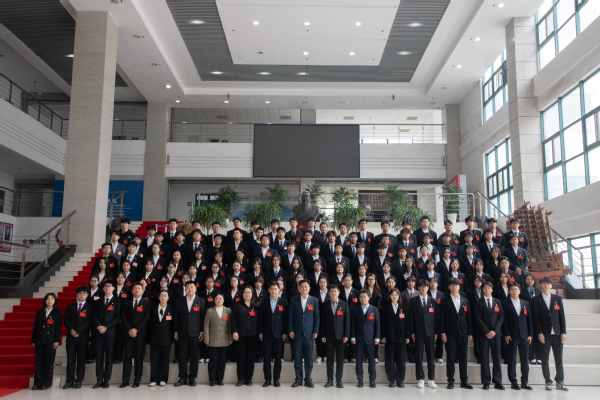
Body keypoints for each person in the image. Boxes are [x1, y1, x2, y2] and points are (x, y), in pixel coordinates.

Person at [531, 276, 568, 391]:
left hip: (557, 333)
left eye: (548, 283)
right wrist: (539, 333)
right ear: (540, 285)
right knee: (545, 358)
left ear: (551, 285)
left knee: (559, 358)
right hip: (544, 334)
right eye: (544, 283)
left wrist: (563, 332)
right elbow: (535, 319)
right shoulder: (535, 300)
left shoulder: (557, 298)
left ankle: (560, 381)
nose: (546, 285)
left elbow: (561, 316)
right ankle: (548, 381)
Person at [438, 278, 473, 389]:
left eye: (457, 285)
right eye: (452, 285)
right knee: (451, 358)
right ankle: (451, 381)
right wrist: (442, 333)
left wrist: (470, 333)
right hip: (450, 333)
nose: (455, 287)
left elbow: (469, 318)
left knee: (463, 358)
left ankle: (464, 381)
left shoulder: (465, 301)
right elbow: (441, 319)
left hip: (463, 332)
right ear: (449, 287)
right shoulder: (445, 301)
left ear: (459, 287)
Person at [473, 281, 505, 390]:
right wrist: (486, 331)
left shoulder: (497, 302)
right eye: (485, 288)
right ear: (482, 290)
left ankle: (497, 381)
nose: (487, 289)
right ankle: (486, 381)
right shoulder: (478, 302)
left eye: (489, 288)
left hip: (496, 334)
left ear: (492, 290)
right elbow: (477, 318)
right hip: (483, 334)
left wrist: (494, 331)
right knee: (484, 358)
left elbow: (501, 317)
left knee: (496, 358)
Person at [174, 281, 206, 387]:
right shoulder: (179, 301)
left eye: (192, 287)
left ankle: (192, 377)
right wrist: (175, 331)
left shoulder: (201, 301)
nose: (190, 289)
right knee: (182, 356)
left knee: (194, 356)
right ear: (185, 289)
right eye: (187, 287)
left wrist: (202, 331)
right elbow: (176, 317)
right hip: (182, 332)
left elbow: (202, 318)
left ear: (195, 289)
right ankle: (182, 377)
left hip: (195, 333)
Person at [288, 280, 320, 388]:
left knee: (308, 358)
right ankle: (298, 379)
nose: (304, 288)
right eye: (302, 286)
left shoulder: (314, 300)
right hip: (297, 333)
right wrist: (291, 330)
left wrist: (316, 331)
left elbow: (317, 317)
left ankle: (308, 379)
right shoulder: (294, 300)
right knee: (297, 358)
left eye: (306, 286)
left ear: (309, 288)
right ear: (299, 288)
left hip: (309, 334)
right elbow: (290, 316)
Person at [502, 282, 532, 390]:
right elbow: (504, 321)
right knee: (512, 360)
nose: (514, 291)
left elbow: (529, 320)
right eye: (512, 289)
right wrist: (506, 334)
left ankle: (525, 381)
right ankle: (513, 381)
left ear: (519, 291)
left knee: (525, 360)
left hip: (524, 335)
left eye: (516, 289)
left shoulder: (525, 303)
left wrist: (530, 334)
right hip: (512, 336)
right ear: (509, 291)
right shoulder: (505, 303)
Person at [319, 284, 350, 388]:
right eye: (331, 291)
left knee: (340, 359)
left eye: (335, 291)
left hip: (341, 336)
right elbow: (322, 322)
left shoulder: (344, 304)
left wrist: (346, 335)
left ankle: (339, 380)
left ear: (339, 292)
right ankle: (330, 380)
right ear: (329, 293)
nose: (333, 293)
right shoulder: (324, 305)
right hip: (328, 336)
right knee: (330, 358)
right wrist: (323, 335)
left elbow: (347, 322)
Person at [120, 282, 150, 388]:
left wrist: (136, 329)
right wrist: (129, 329)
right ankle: (125, 380)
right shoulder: (126, 302)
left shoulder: (146, 303)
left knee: (138, 357)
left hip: (140, 334)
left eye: (139, 288)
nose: (137, 290)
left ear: (142, 290)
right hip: (128, 333)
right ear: (132, 291)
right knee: (127, 357)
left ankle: (137, 380)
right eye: (135, 288)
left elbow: (146, 317)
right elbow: (123, 317)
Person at [91, 281, 121, 388]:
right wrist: (99, 326)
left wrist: (106, 327)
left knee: (109, 357)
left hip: (110, 333)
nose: (107, 288)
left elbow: (117, 317)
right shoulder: (97, 301)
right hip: (98, 332)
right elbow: (93, 316)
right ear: (103, 289)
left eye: (109, 286)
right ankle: (99, 379)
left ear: (113, 288)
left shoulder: (117, 302)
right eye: (105, 286)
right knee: (99, 356)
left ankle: (106, 379)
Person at [409, 279, 438, 388]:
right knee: (419, 356)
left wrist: (436, 332)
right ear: (418, 288)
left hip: (430, 331)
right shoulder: (413, 301)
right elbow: (411, 318)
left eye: (426, 287)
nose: (424, 288)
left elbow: (436, 318)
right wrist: (412, 332)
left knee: (431, 356)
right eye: (421, 287)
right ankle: (420, 378)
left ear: (428, 288)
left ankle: (431, 379)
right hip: (418, 331)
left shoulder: (433, 301)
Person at [259, 281, 288, 387]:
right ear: (269, 290)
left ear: (279, 290)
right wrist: (260, 331)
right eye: (272, 289)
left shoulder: (283, 302)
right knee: (266, 358)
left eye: (276, 289)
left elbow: (285, 319)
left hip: (279, 334)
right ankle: (267, 379)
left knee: (278, 358)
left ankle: (276, 379)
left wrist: (285, 332)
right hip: (266, 334)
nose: (274, 291)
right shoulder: (264, 302)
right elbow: (260, 318)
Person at [31, 293, 62, 390]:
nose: (50, 301)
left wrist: (57, 340)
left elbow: (58, 327)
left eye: (52, 299)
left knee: (49, 361)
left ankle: (46, 383)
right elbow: (35, 326)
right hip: (39, 339)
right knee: (39, 361)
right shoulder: (40, 311)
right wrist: (33, 339)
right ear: (45, 300)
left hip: (50, 340)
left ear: (54, 301)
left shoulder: (57, 312)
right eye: (48, 299)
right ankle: (37, 382)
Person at [63, 287, 92, 389]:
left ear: (87, 295)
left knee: (81, 360)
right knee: (70, 360)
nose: (82, 295)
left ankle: (79, 380)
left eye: (84, 293)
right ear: (77, 294)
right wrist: (72, 330)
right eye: (80, 293)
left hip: (83, 338)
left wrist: (78, 330)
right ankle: (70, 380)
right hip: (71, 337)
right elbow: (65, 319)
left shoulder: (90, 307)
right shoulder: (70, 306)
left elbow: (89, 321)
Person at [351, 290, 380, 388]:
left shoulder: (374, 310)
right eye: (361, 297)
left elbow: (377, 325)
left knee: (371, 360)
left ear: (368, 298)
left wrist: (377, 337)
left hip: (370, 339)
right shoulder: (355, 310)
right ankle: (360, 379)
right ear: (359, 299)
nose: (363, 298)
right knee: (358, 360)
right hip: (358, 339)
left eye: (365, 296)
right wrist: (353, 337)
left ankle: (372, 380)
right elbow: (353, 325)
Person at [381, 288, 408, 388]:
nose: (394, 297)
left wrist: (407, 336)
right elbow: (382, 323)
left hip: (401, 337)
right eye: (392, 295)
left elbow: (407, 323)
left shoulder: (403, 308)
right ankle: (391, 380)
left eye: (396, 295)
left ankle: (400, 380)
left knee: (401, 360)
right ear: (390, 296)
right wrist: (383, 335)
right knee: (390, 359)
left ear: (399, 296)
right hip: (389, 336)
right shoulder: (385, 308)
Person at [203, 293, 233, 386]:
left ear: (223, 300)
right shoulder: (209, 311)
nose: (219, 300)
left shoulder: (228, 311)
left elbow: (230, 326)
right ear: (214, 300)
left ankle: (220, 379)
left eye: (220, 298)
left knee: (222, 360)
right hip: (213, 339)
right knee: (213, 360)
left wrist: (230, 338)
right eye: (217, 298)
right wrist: (206, 338)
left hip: (224, 339)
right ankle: (212, 379)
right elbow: (206, 326)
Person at [232, 286, 259, 386]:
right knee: (241, 357)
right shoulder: (237, 305)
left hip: (253, 335)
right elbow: (233, 319)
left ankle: (249, 378)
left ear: (252, 294)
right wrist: (234, 331)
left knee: (250, 357)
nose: (247, 294)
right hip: (241, 335)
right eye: (245, 292)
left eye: (249, 292)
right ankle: (240, 378)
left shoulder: (256, 305)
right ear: (242, 294)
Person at [149, 289, 173, 387]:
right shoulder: (153, 309)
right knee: (154, 360)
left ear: (168, 298)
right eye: (161, 295)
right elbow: (149, 324)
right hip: (154, 338)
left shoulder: (171, 309)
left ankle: (163, 379)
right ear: (158, 297)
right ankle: (154, 379)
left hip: (166, 338)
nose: (163, 297)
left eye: (165, 296)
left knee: (165, 360)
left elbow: (173, 325)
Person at [520, 274, 541, 365]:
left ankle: (539, 356)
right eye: (528, 279)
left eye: (531, 279)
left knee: (538, 335)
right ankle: (531, 356)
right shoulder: (522, 292)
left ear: (534, 280)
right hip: (527, 316)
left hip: (538, 316)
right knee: (530, 336)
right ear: (525, 281)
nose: (530, 281)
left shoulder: (539, 291)